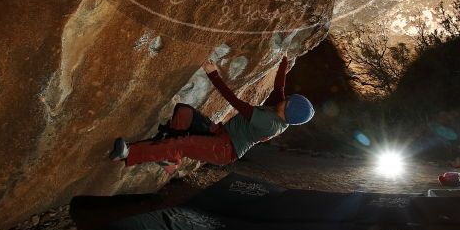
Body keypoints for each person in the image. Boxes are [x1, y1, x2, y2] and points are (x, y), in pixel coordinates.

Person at [109, 55, 314, 167]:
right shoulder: (282, 111)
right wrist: (284, 59)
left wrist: (213, 75)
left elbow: (235, 102)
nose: (285, 99)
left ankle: (129, 153)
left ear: (288, 112)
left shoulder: (271, 124)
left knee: (182, 143)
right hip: (221, 133)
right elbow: (280, 88)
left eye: (287, 102)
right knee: (183, 113)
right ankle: (167, 156)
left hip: (225, 150)